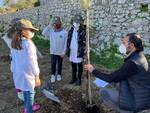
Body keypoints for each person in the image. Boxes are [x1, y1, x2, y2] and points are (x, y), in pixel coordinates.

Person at [84, 33, 150, 113]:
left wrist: (93, 70)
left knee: (103, 91)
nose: (121, 45)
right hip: (140, 95)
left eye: (124, 43)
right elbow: (119, 75)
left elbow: (110, 78)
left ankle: (124, 110)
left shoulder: (133, 63)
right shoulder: (139, 56)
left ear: (132, 45)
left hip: (135, 101)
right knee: (108, 84)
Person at [11, 19, 41, 113]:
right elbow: (33, 62)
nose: (32, 32)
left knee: (24, 94)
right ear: (24, 31)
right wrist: (37, 76)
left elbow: (13, 61)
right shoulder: (28, 44)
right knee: (30, 94)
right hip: (27, 76)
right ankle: (29, 109)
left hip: (18, 75)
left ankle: (28, 107)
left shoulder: (14, 43)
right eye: (30, 30)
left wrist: (15, 72)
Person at [42, 16, 67, 83]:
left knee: (60, 64)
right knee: (53, 63)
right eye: (54, 23)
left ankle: (59, 74)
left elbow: (65, 43)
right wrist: (49, 25)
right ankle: (52, 75)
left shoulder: (64, 32)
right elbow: (43, 33)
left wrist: (63, 52)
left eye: (57, 23)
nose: (56, 24)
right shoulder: (51, 31)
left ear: (60, 23)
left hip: (60, 52)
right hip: (53, 51)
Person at [66, 14, 86, 85]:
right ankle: (74, 78)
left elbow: (84, 41)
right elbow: (68, 39)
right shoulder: (71, 30)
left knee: (79, 65)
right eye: (75, 22)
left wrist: (79, 31)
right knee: (73, 65)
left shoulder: (83, 30)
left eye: (78, 22)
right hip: (72, 51)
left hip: (78, 51)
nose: (76, 23)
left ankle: (79, 79)